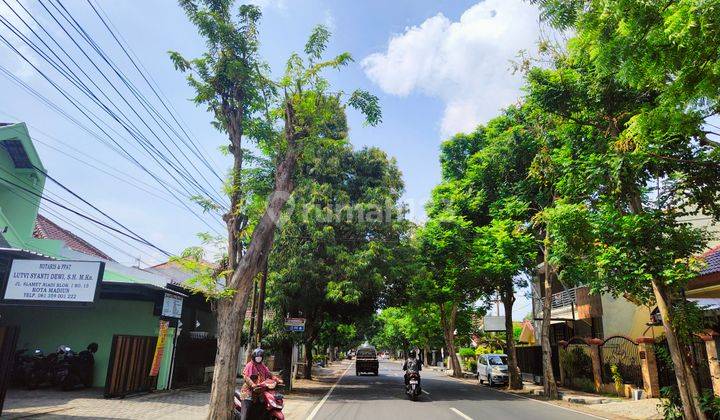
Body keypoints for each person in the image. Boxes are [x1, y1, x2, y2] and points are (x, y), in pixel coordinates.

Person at [238, 348, 279, 420]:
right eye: (257, 357)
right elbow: (246, 377)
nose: (259, 359)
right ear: (254, 357)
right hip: (249, 392)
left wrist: (276, 379)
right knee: (246, 414)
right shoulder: (249, 365)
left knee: (262, 408)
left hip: (260, 392)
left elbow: (269, 374)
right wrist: (252, 384)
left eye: (260, 357)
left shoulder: (262, 366)